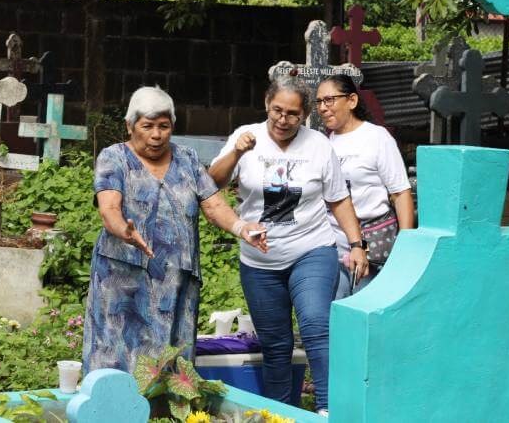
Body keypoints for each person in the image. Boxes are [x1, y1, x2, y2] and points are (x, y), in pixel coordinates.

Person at [209, 76, 365, 416]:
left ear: (305, 114)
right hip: (259, 260)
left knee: (315, 323)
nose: (283, 119)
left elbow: (338, 199)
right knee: (275, 343)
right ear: (266, 104)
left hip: (312, 250)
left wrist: (356, 244)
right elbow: (212, 183)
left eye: (292, 114)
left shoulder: (319, 145)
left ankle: (327, 408)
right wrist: (236, 152)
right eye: (277, 110)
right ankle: (282, 413)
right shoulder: (245, 137)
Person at [83, 86, 267, 374]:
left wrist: (243, 228)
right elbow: (109, 207)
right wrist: (125, 231)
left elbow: (214, 204)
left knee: (169, 360)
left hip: (174, 281)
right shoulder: (114, 157)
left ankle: (162, 416)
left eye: (164, 126)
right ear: (130, 126)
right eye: (147, 126)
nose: (156, 135)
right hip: (123, 279)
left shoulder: (188, 160)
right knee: (115, 353)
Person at [316, 75, 414, 299]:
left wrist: (405, 245)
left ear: (352, 100)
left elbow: (400, 192)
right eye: (319, 101)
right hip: (333, 246)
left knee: (364, 310)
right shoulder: (324, 143)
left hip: (371, 243)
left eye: (329, 100)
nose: (323, 108)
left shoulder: (376, 138)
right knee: (335, 314)